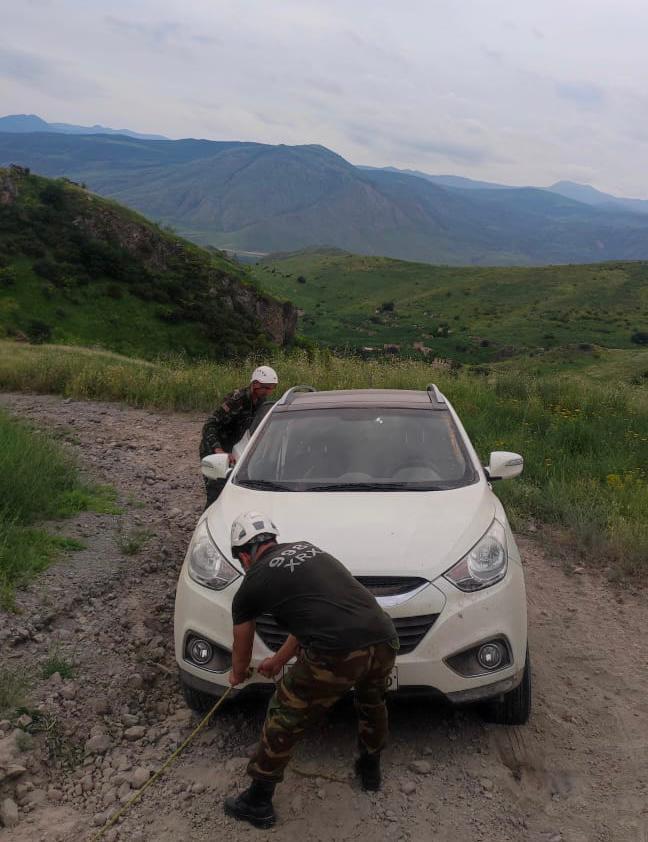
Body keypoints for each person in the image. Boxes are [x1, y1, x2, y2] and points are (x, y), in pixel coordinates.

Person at [223, 511, 399, 829]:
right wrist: (279, 659)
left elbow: (242, 645)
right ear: (272, 540)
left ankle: (258, 801)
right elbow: (311, 617)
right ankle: (370, 770)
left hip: (338, 651)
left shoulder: (252, 583)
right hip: (384, 637)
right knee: (372, 702)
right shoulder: (308, 549)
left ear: (244, 555)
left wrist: (237, 674)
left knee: (285, 712)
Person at [199, 366, 278, 508]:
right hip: (214, 448)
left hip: (234, 449)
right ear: (255, 384)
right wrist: (218, 450)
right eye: (266, 388)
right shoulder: (237, 399)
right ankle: (208, 518)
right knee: (216, 494)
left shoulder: (261, 402)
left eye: (272, 388)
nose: (269, 392)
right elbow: (210, 424)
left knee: (236, 491)